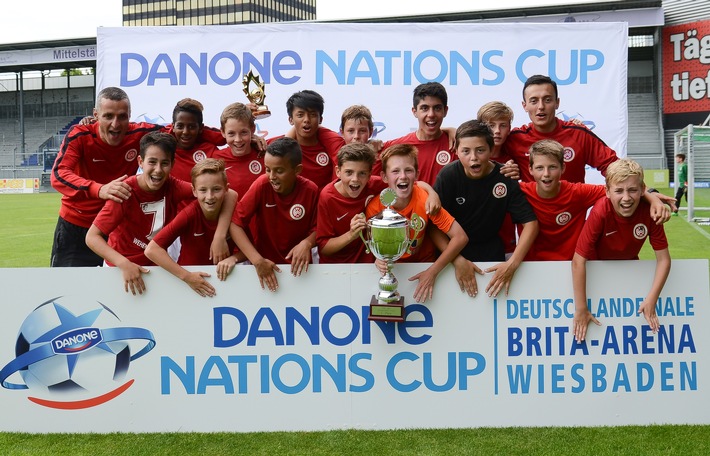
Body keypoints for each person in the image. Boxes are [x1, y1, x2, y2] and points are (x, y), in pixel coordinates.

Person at [85, 132, 236, 295]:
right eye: (152, 162)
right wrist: (123, 263)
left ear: (172, 164)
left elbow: (230, 194)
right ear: (140, 162)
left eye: (164, 163)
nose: (158, 170)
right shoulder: (125, 192)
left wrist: (219, 236)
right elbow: (92, 237)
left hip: (158, 268)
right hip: (122, 270)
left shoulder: (173, 186)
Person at [50, 87, 162, 267]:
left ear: (130, 115)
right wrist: (99, 189)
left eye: (122, 116)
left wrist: (222, 137)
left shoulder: (140, 134)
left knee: (119, 292)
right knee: (68, 292)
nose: (116, 124)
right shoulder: (80, 135)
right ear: (96, 115)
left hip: (116, 228)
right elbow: (59, 174)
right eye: (108, 116)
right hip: (76, 226)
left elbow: (183, 130)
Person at [434, 120, 538, 298]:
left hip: (490, 251)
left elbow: (531, 224)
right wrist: (456, 259)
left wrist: (512, 264)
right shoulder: (448, 175)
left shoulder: (504, 176)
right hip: (451, 251)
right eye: (466, 151)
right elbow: (433, 225)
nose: (473, 157)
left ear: (491, 150)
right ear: (457, 151)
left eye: (480, 150)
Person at [572, 158, 670, 342]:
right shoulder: (601, 210)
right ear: (607, 192)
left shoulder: (650, 211)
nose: (626, 198)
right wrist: (581, 308)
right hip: (596, 271)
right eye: (619, 191)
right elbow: (578, 260)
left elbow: (664, 259)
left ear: (643, 190)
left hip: (627, 270)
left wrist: (652, 299)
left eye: (633, 190)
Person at [521, 139, 669, 261]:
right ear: (530, 169)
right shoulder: (520, 192)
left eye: (552, 167)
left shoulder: (577, 192)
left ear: (563, 168)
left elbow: (617, 189)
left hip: (571, 264)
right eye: (540, 168)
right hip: (533, 268)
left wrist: (652, 197)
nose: (546, 174)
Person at [366, 144, 468, 303]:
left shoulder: (425, 199)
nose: (403, 176)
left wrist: (432, 272)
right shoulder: (375, 208)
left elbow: (460, 237)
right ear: (384, 177)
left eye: (408, 170)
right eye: (395, 171)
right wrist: (378, 259)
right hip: (395, 272)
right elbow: (375, 248)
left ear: (416, 175)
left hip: (424, 267)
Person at [317, 143, 441, 264]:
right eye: (349, 172)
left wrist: (431, 193)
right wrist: (351, 235)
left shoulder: (375, 184)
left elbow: (411, 184)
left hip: (371, 265)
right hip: (336, 268)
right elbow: (323, 248)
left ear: (370, 174)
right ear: (338, 171)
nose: (355, 179)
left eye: (362, 173)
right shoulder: (328, 197)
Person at [230, 137, 318, 292]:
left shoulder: (311, 190)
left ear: (297, 170)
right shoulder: (262, 184)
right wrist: (258, 261)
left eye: (279, 171)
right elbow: (235, 224)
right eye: (268, 169)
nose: (271, 176)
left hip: (301, 272)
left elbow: (320, 229)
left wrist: (307, 243)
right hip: (265, 269)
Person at [145, 158, 241, 297]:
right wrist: (187, 277)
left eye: (216, 189)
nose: (210, 196)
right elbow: (152, 250)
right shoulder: (189, 214)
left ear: (226, 188)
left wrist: (233, 258)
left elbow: (249, 248)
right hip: (189, 286)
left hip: (224, 283)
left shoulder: (233, 211)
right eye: (203, 190)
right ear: (194, 191)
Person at [503, 74, 619, 183]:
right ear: (525, 106)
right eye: (534, 101)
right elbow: (490, 159)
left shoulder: (578, 134)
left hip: (573, 204)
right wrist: (506, 167)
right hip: (529, 205)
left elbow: (614, 167)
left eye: (547, 100)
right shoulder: (514, 139)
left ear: (557, 103)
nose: (541, 107)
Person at [373, 82, 456, 186]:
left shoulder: (456, 145)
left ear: (445, 111)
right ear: (414, 111)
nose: (431, 114)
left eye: (437, 108)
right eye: (424, 108)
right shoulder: (394, 147)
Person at [271, 90, 345, 191]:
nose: (306, 120)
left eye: (313, 114)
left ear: (320, 119)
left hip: (324, 204)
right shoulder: (275, 146)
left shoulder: (333, 143)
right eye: (300, 115)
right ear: (291, 120)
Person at [212, 102, 265, 199]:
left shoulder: (265, 152)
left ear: (252, 130)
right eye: (231, 134)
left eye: (243, 132)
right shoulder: (215, 160)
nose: (238, 139)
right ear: (223, 132)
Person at [168, 98, 221, 183]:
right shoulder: (164, 151)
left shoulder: (210, 151)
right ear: (173, 127)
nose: (185, 132)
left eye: (191, 127)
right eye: (180, 126)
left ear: (200, 128)